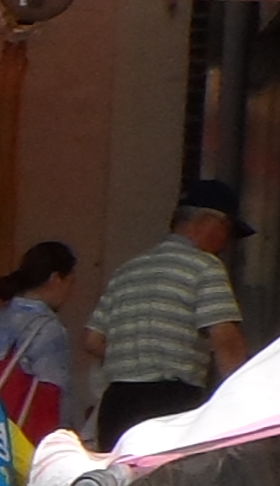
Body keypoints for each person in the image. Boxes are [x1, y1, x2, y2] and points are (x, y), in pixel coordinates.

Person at [80, 183, 253, 446]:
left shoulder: (128, 270)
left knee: (121, 484)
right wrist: (241, 397)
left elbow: (92, 340)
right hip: (170, 402)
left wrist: (139, 356)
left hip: (117, 404)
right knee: (168, 485)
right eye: (227, 231)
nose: (226, 244)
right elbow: (224, 339)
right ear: (207, 222)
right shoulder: (205, 267)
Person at [0, 241, 79, 442]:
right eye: (70, 283)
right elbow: (55, 396)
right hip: (22, 438)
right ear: (55, 279)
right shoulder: (48, 328)